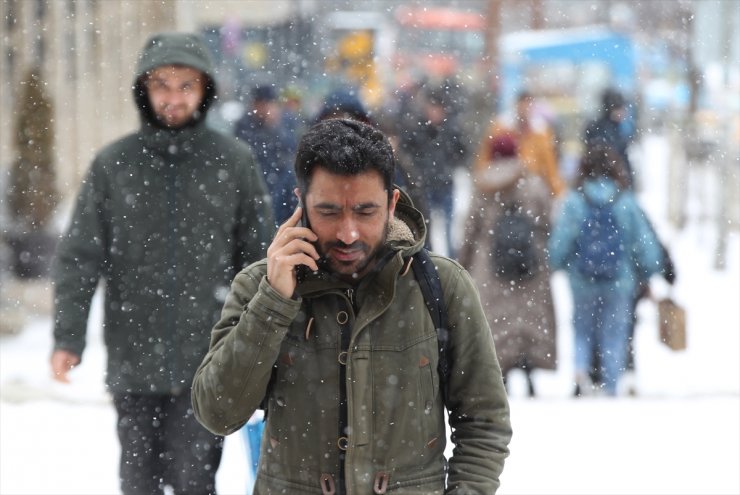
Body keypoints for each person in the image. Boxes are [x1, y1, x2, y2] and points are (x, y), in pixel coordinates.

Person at [192, 118, 512, 493]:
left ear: (392, 202)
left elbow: (484, 421)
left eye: (364, 211)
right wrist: (274, 302)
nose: (348, 233)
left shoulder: (442, 285)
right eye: (329, 211)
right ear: (301, 202)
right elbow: (218, 412)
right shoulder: (260, 285)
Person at [50, 32, 274, 495]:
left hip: (206, 361)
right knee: (137, 482)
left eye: (185, 86)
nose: (173, 98)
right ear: (144, 89)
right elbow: (80, 257)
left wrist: (263, 345)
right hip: (133, 358)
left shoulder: (232, 163)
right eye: (162, 85)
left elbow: (259, 260)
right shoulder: (114, 165)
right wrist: (68, 336)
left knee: (194, 481)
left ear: (204, 90)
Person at [548, 145, 664, 397]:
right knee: (614, 333)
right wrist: (648, 270)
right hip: (619, 280)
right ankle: (611, 387)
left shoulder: (575, 201)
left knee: (582, 329)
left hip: (581, 280)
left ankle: (580, 370)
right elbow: (642, 242)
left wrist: (556, 263)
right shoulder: (625, 200)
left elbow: (561, 241)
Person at [459, 132, 557, 397]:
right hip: (530, 262)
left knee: (497, 318)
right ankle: (528, 367)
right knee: (527, 317)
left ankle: (500, 371)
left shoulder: (483, 186)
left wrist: (463, 261)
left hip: (490, 262)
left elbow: (471, 228)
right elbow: (548, 222)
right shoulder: (534, 183)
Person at [396, 84, 469, 258]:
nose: (434, 113)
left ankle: (452, 258)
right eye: (432, 108)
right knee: (425, 225)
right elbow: (408, 148)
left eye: (438, 109)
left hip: (445, 183)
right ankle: (429, 256)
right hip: (426, 184)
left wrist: (450, 165)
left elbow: (463, 151)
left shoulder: (451, 130)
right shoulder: (419, 128)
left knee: (449, 226)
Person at [478, 90, 565, 197]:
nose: (525, 109)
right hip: (501, 184)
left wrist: (557, 192)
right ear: (516, 105)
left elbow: (549, 165)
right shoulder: (500, 128)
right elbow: (485, 157)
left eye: (528, 105)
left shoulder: (540, 132)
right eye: (523, 105)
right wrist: (482, 178)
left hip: (530, 187)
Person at [235, 84, 298, 224]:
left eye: (267, 104)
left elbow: (290, 149)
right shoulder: (244, 126)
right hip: (254, 186)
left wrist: (275, 127)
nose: (263, 109)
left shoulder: (285, 123)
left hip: (279, 186)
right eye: (260, 104)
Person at [583, 88, 636, 188]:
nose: (624, 112)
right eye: (620, 108)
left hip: (597, 182)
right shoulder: (609, 131)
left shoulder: (601, 127)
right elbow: (618, 158)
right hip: (611, 183)